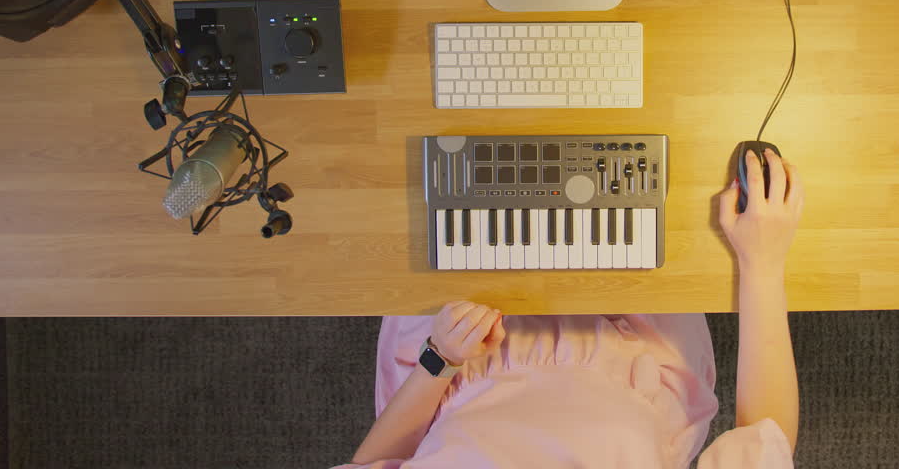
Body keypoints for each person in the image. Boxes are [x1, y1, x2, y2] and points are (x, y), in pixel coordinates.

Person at [333, 148, 803, 468]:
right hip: (640, 351)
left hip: (455, 360)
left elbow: (373, 463)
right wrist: (763, 262)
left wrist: (439, 359)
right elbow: (767, 438)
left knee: (427, 169)